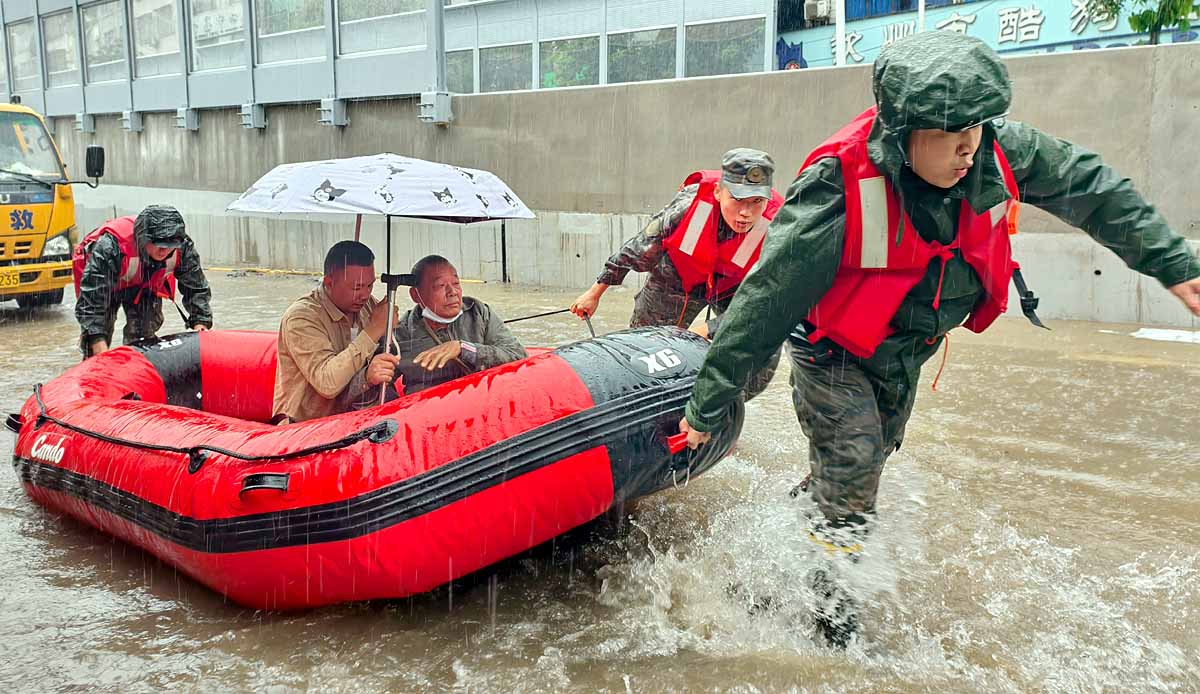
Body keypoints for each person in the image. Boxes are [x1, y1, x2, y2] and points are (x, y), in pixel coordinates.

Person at [676, 31, 1200, 644]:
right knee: (851, 469)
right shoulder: (839, 187)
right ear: (903, 134)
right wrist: (709, 403)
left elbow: (1093, 188)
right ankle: (828, 630)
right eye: (949, 135)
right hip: (835, 353)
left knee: (858, 472)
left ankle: (775, 552)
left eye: (975, 129)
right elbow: (765, 301)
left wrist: (1173, 263)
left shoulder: (996, 150)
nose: (967, 148)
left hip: (904, 354)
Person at [569, 148, 786, 399]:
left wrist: (708, 330)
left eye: (756, 201)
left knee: (762, 351)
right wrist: (595, 292)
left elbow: (768, 304)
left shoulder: (780, 227)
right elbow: (639, 247)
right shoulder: (688, 206)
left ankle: (716, 409)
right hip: (678, 277)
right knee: (643, 350)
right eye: (737, 200)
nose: (746, 213)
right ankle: (645, 405)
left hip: (735, 286)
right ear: (718, 191)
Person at [357, 255, 527, 402]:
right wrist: (372, 380)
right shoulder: (399, 335)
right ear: (416, 295)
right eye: (440, 286)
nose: (452, 292)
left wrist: (463, 348)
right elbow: (376, 391)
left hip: (480, 406)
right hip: (430, 420)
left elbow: (518, 356)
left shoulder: (478, 312)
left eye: (456, 283)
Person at [272, 241, 400, 424]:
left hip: (353, 417)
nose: (365, 295)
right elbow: (327, 383)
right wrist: (373, 330)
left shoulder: (368, 306)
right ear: (329, 282)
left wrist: (389, 330)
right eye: (357, 287)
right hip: (303, 427)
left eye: (369, 286)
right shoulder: (302, 317)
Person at [74, 205, 213, 359]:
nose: (164, 251)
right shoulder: (110, 247)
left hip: (144, 287)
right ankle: (92, 366)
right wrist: (98, 343)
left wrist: (201, 322)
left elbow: (196, 288)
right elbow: (91, 300)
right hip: (106, 288)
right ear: (143, 239)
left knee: (144, 334)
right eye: (159, 245)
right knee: (97, 338)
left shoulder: (183, 246)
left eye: (169, 247)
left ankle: (138, 365)